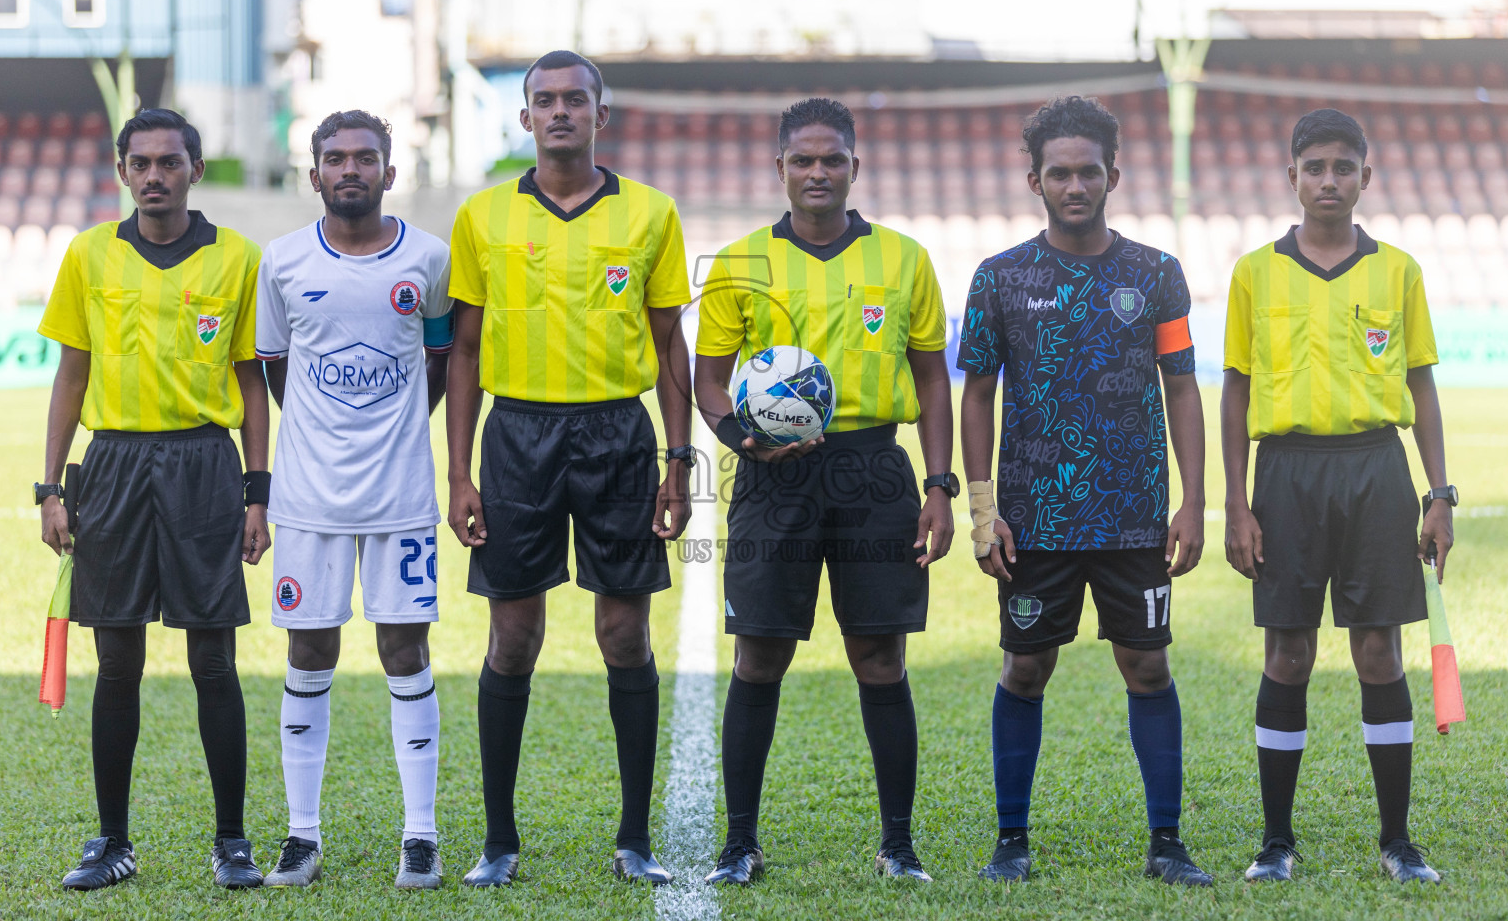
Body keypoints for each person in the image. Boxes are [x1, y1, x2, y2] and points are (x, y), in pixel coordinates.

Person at [444, 50, 693, 888]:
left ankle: (634, 839)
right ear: (523, 118)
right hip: (515, 437)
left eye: (574, 100)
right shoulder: (481, 217)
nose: (559, 113)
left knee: (624, 632)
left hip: (617, 437)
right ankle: (500, 842)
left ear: (600, 115)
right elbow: (466, 349)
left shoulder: (651, 214)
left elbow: (668, 347)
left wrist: (677, 459)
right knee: (513, 637)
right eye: (543, 101)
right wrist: (459, 474)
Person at [694, 97, 955, 886]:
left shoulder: (905, 259)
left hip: (875, 470)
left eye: (831, 159)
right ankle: (740, 843)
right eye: (802, 160)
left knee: (880, 656)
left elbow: (933, 380)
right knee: (760, 653)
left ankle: (898, 844)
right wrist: (738, 435)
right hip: (776, 477)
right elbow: (708, 376)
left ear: (853, 166)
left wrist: (940, 487)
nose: (817, 173)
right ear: (779, 168)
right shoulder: (740, 262)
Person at [957, 95, 1211, 887]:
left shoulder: (1157, 274)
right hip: (1033, 520)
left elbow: (1183, 388)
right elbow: (975, 395)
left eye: (1088, 172)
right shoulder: (998, 278)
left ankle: (1167, 844)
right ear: (1035, 179)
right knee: (1024, 671)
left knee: (1148, 667)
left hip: (1134, 517)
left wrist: (1193, 500)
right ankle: (1011, 841)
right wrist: (983, 507)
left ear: (1114, 175)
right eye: (1059, 173)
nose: (1075, 185)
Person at [37, 108, 270, 891]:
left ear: (195, 170)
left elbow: (251, 382)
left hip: (205, 463)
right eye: (140, 163)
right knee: (117, 662)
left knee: (213, 659)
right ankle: (112, 841)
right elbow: (71, 374)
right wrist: (49, 487)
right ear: (122, 171)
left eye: (170, 162)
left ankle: (231, 842)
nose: (155, 176)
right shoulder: (89, 255)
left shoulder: (238, 258)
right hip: (111, 465)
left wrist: (256, 491)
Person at [1222, 108, 1453, 885]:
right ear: (1291, 175)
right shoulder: (1255, 272)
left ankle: (1397, 841)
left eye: (1342, 167)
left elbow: (1420, 382)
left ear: (1365, 176)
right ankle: (1276, 843)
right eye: (1313, 166)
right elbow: (1234, 389)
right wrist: (1234, 502)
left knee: (1379, 650)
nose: (1328, 180)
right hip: (1284, 473)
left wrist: (1439, 493)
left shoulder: (1399, 271)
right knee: (1287, 652)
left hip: (1376, 469)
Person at [253, 111, 453, 889]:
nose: (349, 170)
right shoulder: (283, 261)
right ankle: (302, 835)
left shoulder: (428, 259)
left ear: (389, 173)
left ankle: (422, 835)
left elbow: (440, 359)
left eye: (364, 158)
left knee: (406, 653)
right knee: (310, 653)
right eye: (333, 159)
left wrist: (394, 427)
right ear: (314, 176)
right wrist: (319, 436)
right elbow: (275, 367)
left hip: (400, 495)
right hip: (308, 501)